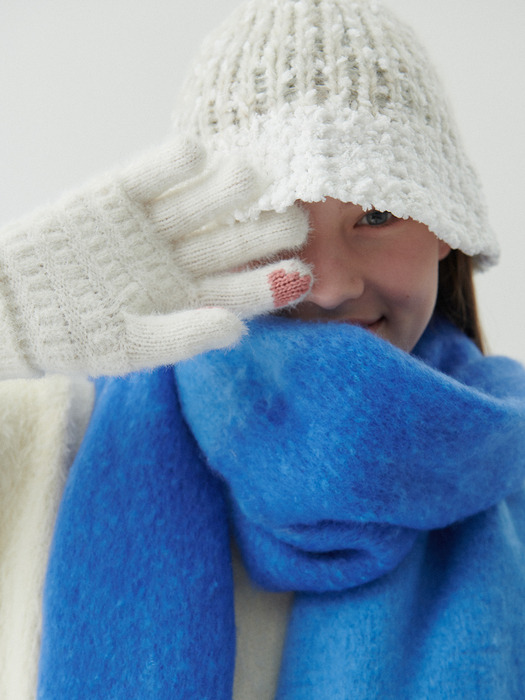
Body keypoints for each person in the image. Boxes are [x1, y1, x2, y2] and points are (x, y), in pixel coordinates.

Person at [1, 0, 524, 698]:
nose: (332, 284)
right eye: (277, 219)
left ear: (445, 232)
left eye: (376, 213)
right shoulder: (41, 445)